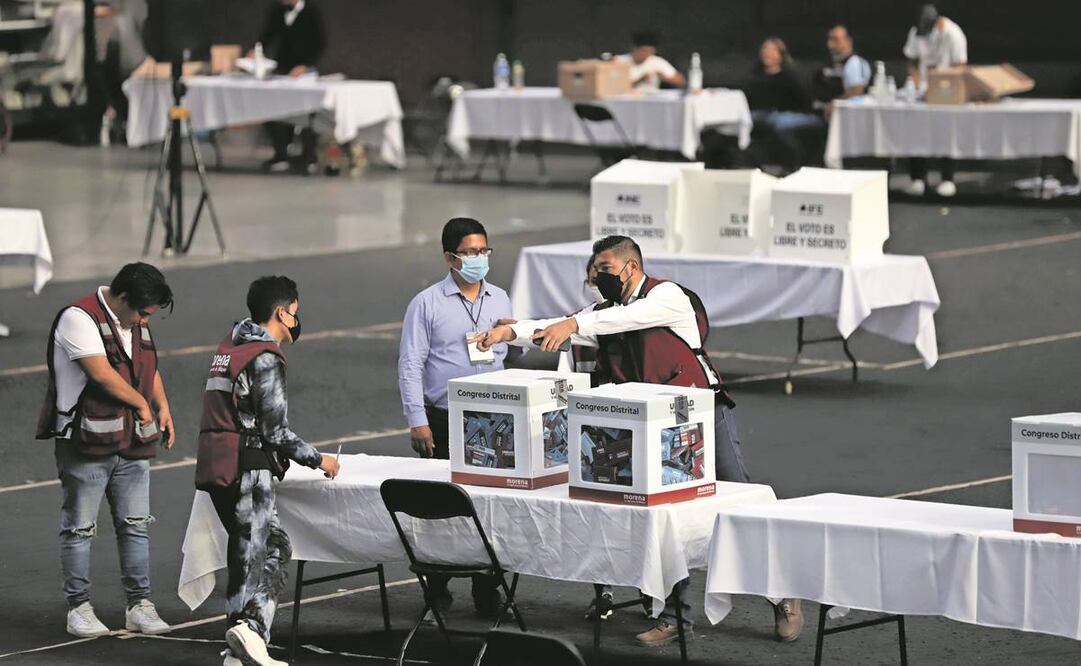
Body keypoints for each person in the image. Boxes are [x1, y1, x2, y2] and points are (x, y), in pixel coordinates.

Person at [477, 236, 803, 647]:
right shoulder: (602, 315)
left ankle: (783, 596)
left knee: (742, 503)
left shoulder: (667, 297)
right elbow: (560, 327)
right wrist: (510, 332)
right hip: (650, 427)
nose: (598, 277)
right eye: (595, 270)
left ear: (631, 267)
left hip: (701, 414)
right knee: (662, 518)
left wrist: (572, 324)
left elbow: (620, 320)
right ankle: (674, 617)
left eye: (605, 269)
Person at [196, 275, 341, 666]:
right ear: (282, 312)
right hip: (248, 467)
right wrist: (319, 459)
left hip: (218, 463)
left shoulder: (230, 347)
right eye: (295, 311)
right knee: (269, 550)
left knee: (248, 554)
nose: (297, 319)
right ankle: (252, 631)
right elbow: (275, 431)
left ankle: (238, 649)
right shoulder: (265, 357)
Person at [35, 262, 176, 638]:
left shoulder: (134, 321)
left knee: (136, 526)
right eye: (143, 313)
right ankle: (78, 608)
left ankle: (139, 605)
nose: (145, 321)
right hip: (86, 444)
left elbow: (148, 367)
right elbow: (100, 373)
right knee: (79, 528)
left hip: (132, 441)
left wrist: (162, 406)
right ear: (124, 298)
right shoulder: (77, 318)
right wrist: (142, 405)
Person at [397, 217, 514, 617]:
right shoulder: (426, 303)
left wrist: (517, 334)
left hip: (495, 418)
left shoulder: (500, 298)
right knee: (440, 506)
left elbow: (511, 354)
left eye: (484, 250)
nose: (479, 258)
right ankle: (437, 586)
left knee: (491, 505)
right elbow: (410, 364)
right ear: (450, 258)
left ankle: (487, 589)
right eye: (470, 252)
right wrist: (417, 419)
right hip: (445, 418)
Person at [902, 4, 968, 197]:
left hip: (946, 91)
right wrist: (917, 82)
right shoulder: (915, 32)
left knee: (946, 134)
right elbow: (911, 61)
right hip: (922, 91)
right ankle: (917, 178)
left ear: (937, 24)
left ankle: (947, 178)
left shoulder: (953, 34)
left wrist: (939, 84)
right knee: (916, 132)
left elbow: (960, 66)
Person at [256, 0, 327, 172]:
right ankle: (280, 153)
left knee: (306, 110)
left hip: (305, 71)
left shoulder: (311, 13)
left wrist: (306, 66)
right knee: (272, 106)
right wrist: (257, 50)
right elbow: (267, 35)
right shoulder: (277, 11)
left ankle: (308, 155)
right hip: (282, 69)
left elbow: (320, 44)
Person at [745, 37, 819, 172]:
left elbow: (802, 100)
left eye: (772, 50)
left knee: (778, 122)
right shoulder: (755, 77)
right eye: (765, 49)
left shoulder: (790, 77)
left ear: (781, 55)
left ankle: (793, 163)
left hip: (788, 114)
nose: (767, 53)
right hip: (761, 113)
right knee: (746, 120)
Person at [811, 25, 871, 117]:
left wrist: (834, 104)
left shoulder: (854, 62)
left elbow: (856, 93)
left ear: (848, 41)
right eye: (829, 39)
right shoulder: (828, 63)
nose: (830, 44)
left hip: (839, 115)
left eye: (835, 40)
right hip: (816, 111)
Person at [617, 31, 686, 90]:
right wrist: (641, 79)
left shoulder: (657, 62)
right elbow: (616, 87)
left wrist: (665, 78)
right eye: (644, 51)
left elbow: (681, 81)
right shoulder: (619, 61)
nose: (646, 54)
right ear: (635, 48)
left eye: (650, 52)